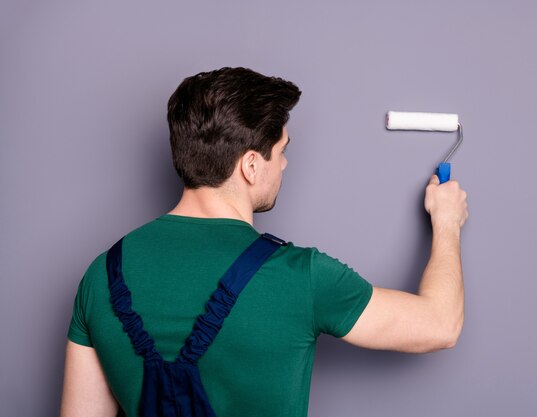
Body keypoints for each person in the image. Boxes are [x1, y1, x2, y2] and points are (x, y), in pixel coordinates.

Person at [60, 67, 469, 417]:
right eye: (282, 151)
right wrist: (447, 223)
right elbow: (440, 325)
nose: (286, 164)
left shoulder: (102, 276)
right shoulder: (301, 276)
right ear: (251, 165)